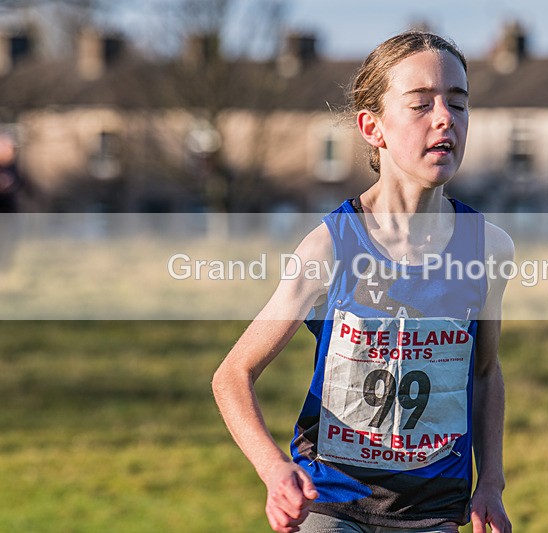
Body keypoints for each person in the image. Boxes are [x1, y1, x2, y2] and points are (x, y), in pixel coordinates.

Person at [213, 31, 514, 533]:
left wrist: (491, 484)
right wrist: (274, 470)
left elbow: (484, 373)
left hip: (434, 511)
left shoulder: (488, 249)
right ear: (373, 127)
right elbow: (232, 375)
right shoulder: (329, 247)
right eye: (420, 104)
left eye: (458, 104)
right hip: (332, 503)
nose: (445, 118)